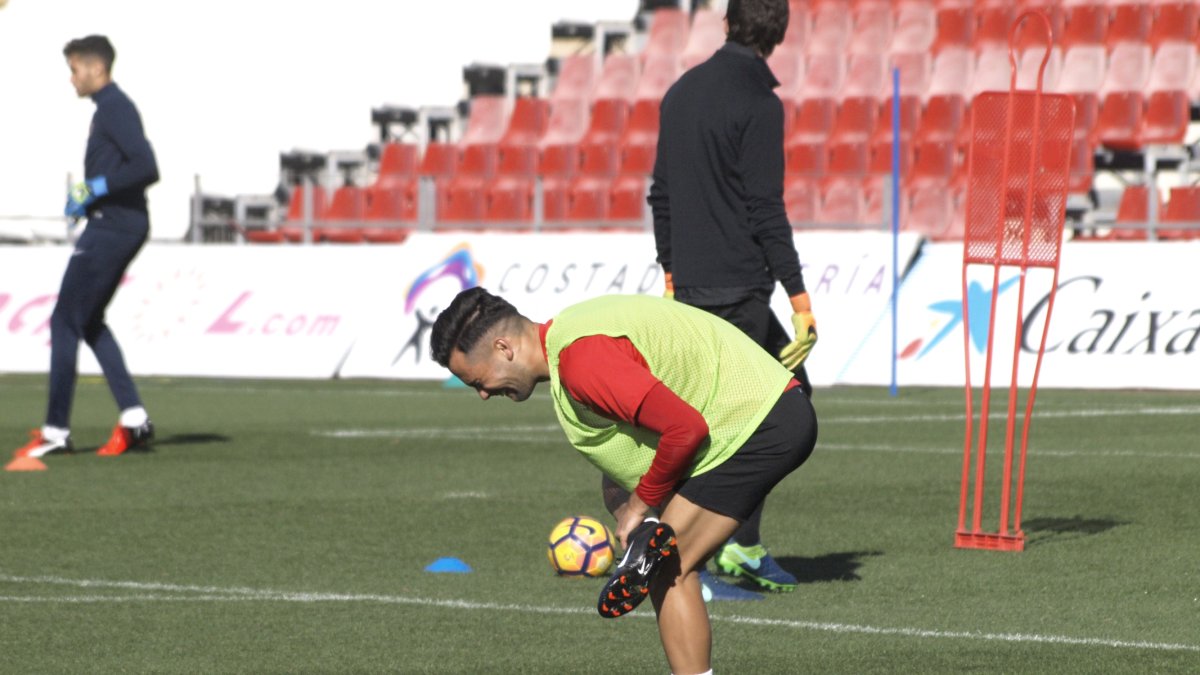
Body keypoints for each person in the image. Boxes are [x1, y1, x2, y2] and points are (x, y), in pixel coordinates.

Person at [431, 287, 817, 675]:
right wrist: (636, 511)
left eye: (477, 381)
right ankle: (645, 542)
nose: (482, 394)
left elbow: (685, 430)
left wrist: (640, 505)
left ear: (503, 347)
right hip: (758, 412)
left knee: (670, 568)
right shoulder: (570, 334)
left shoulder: (581, 362)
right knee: (626, 501)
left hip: (760, 423)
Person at [647, 0, 817, 595]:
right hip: (741, 288)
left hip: (693, 288)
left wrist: (671, 271)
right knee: (776, 416)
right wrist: (799, 298)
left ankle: (716, 542)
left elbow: (660, 194)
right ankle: (718, 549)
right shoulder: (759, 104)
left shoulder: (681, 92)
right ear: (780, 32)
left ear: (726, 23)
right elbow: (765, 208)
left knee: (719, 419)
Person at [13, 35, 158, 459]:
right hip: (115, 221)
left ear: (96, 69)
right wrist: (90, 196)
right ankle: (133, 418)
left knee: (64, 321)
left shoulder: (115, 107)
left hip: (114, 227)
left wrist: (98, 188)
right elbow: (124, 167)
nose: (72, 79)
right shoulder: (109, 108)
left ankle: (56, 430)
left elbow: (147, 166)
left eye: (74, 70)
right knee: (89, 319)